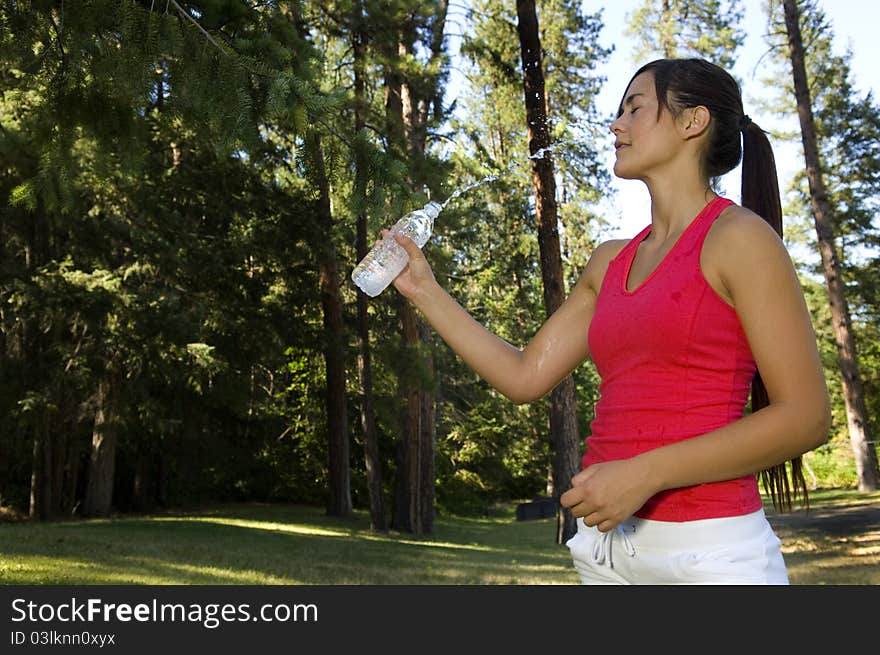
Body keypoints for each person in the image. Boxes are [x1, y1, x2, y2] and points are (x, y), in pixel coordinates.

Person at [386, 57, 831, 584]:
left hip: (709, 553)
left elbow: (806, 417)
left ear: (693, 122)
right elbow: (525, 375)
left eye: (635, 109)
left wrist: (645, 474)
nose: (616, 125)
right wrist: (424, 290)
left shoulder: (740, 240)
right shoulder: (609, 261)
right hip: (606, 555)